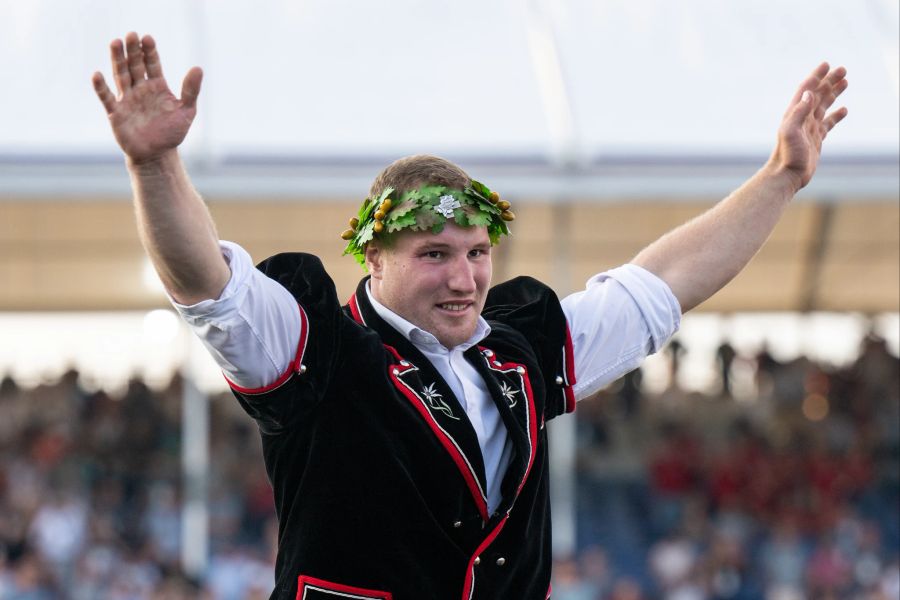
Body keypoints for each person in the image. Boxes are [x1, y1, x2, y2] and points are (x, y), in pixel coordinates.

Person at [91, 31, 847, 600]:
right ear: (373, 258)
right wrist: (154, 166)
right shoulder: (318, 345)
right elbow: (209, 287)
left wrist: (780, 178)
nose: (464, 279)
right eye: (434, 255)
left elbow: (661, 285)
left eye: (478, 253)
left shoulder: (519, 346)